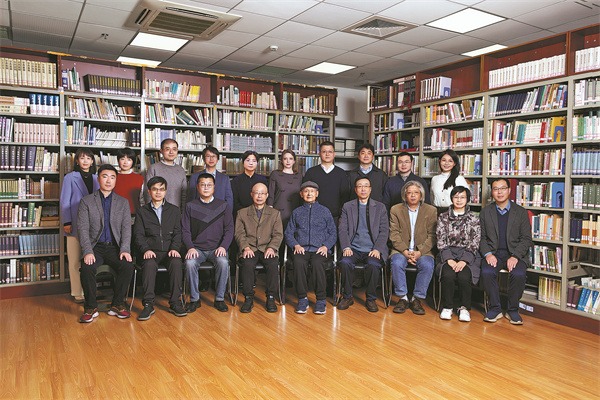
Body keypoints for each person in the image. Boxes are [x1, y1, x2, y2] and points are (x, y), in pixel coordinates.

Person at [77, 164, 134, 323]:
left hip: (115, 247)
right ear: (98, 179)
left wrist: (125, 249)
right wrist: (87, 251)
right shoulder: (86, 201)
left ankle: (117, 304)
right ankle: (90, 307)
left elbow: (126, 229)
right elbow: (82, 229)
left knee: (127, 265)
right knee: (87, 268)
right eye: (105, 176)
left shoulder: (122, 202)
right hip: (95, 247)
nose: (109, 180)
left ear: (116, 180)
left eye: (112, 177)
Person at [133, 176, 187, 321]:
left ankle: (175, 302)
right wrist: (145, 249)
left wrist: (175, 248)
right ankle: (148, 304)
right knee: (149, 265)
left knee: (176, 263)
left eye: (161, 189)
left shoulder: (174, 210)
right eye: (155, 189)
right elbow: (138, 235)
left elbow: (178, 233)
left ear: (165, 191)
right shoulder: (142, 211)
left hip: (170, 251)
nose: (158, 192)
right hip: (151, 251)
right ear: (149, 192)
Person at [480, 178, 532, 325]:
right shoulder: (485, 212)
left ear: (509, 191)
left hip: (515, 254)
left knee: (518, 274)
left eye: (503, 188)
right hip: (494, 253)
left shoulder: (520, 212)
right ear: (492, 192)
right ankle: (495, 308)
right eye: (496, 189)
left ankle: (512, 309)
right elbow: (481, 238)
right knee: (487, 272)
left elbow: (526, 238)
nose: (499, 192)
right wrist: (488, 254)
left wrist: (515, 256)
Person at [183, 173, 234, 313]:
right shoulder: (190, 206)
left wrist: (223, 247)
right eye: (203, 185)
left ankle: (219, 299)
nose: (206, 188)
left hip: (217, 249)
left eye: (209, 185)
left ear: (214, 187)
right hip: (197, 249)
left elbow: (229, 229)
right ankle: (195, 299)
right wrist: (190, 247)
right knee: (190, 263)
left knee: (223, 262)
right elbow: (185, 230)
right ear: (197, 187)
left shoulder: (223, 206)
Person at [337, 177, 389, 313]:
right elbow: (342, 229)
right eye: (360, 186)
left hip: (372, 249)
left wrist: (377, 249)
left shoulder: (380, 207)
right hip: (353, 248)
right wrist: (346, 246)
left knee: (373, 264)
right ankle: (347, 296)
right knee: (345, 263)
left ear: (370, 189)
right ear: (355, 190)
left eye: (366, 186)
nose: (363, 189)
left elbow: (384, 231)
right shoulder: (347, 206)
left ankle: (371, 298)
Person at [285, 181, 337, 315]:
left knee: (317, 263)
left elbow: (333, 233)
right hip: (301, 249)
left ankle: (321, 300)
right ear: (301, 194)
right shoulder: (296, 212)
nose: (309, 194)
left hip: (320, 249)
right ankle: (302, 298)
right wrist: (295, 245)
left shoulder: (325, 211)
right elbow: (288, 233)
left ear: (317, 194)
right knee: (298, 262)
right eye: (306, 191)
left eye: (312, 191)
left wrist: (326, 246)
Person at [389, 181, 437, 315]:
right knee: (397, 263)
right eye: (409, 193)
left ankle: (417, 298)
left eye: (416, 192)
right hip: (401, 250)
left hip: (423, 251)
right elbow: (394, 234)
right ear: (405, 195)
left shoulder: (431, 210)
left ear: (421, 195)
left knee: (427, 265)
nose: (413, 195)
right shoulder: (395, 209)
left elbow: (432, 235)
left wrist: (419, 252)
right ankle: (403, 298)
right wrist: (405, 251)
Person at [234, 182, 283, 313]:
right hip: (250, 248)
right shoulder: (242, 213)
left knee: (273, 264)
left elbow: (278, 234)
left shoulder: (275, 213)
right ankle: (248, 298)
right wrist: (245, 247)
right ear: (251, 194)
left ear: (267, 195)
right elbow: (239, 233)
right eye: (256, 193)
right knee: (247, 264)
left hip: (267, 248)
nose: (259, 196)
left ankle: (271, 297)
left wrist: (272, 248)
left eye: (262, 193)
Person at [436, 186, 481, 322]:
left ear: (467, 199)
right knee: (448, 274)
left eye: (462, 197)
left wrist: (464, 260)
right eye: (456, 197)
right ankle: (448, 307)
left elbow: (475, 241)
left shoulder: (474, 218)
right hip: (447, 252)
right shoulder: (443, 217)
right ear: (451, 198)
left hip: (467, 254)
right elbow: (440, 239)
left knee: (464, 275)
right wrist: (449, 259)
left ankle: (464, 308)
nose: (459, 200)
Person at [60, 148, 99, 303]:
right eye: (82, 158)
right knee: (75, 260)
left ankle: (90, 290)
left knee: (89, 260)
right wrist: (67, 221)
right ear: (77, 161)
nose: (85, 161)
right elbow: (65, 201)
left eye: (88, 158)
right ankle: (77, 292)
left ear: (92, 161)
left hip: (93, 225)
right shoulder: (70, 177)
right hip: (74, 223)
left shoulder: (97, 178)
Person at [267, 149, 302, 286]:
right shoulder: (275, 174)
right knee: (279, 244)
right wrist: (270, 212)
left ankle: (292, 275)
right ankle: (280, 277)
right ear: (281, 160)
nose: (288, 161)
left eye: (290, 158)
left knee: (294, 243)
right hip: (278, 214)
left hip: (294, 214)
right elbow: (270, 194)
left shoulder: (299, 176)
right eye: (285, 158)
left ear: (294, 161)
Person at [302, 141, 350, 223]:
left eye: (330, 152)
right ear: (319, 154)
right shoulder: (311, 172)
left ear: (334, 154)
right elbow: (304, 194)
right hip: (313, 216)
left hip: (335, 217)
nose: (327, 154)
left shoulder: (341, 173)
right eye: (324, 152)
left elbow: (345, 197)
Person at [141, 138, 186, 209]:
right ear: (161, 151)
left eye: (174, 149)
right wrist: (150, 211)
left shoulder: (181, 170)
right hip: (156, 210)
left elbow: (184, 194)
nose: (171, 152)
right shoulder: (154, 168)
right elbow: (147, 192)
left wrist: (182, 211)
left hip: (175, 211)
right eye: (167, 149)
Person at [231, 150, 268, 217]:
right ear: (243, 162)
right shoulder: (236, 181)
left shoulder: (263, 180)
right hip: (241, 215)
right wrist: (246, 213)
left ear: (257, 163)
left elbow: (266, 199)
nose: (251, 163)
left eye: (254, 161)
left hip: (260, 215)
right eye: (248, 160)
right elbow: (234, 202)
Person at [113, 147, 143, 216]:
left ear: (133, 162)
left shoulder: (139, 178)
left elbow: (142, 200)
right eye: (122, 159)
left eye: (129, 159)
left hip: (134, 215)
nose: (125, 162)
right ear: (118, 161)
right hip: (115, 215)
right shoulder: (112, 177)